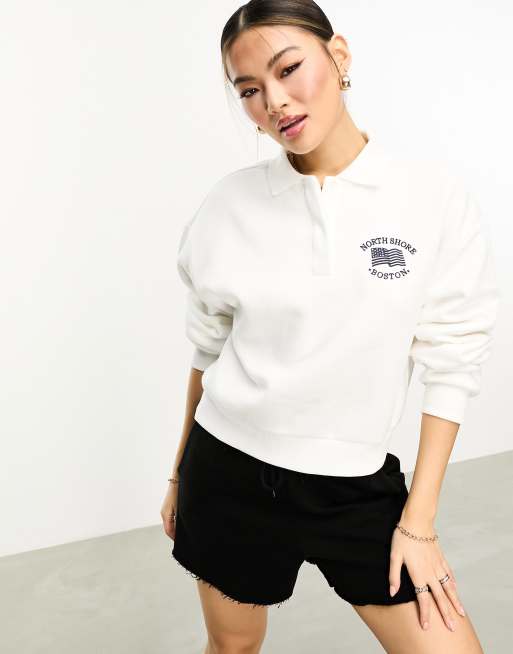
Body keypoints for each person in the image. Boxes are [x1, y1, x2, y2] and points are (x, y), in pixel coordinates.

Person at [161, 1, 500, 652]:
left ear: (338, 56)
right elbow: (208, 350)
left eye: (289, 69)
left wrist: (418, 522)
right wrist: (179, 474)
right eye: (249, 91)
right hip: (227, 472)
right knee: (232, 648)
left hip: (353, 489)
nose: (275, 102)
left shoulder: (430, 199)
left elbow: (453, 359)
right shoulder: (228, 205)